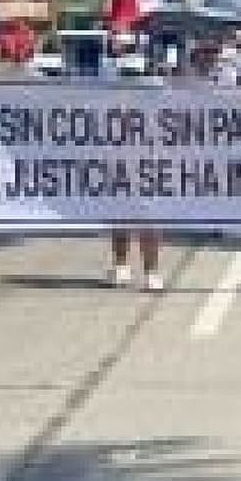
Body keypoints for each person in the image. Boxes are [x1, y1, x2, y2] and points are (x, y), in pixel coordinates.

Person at [99, 30, 165, 292]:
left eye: (134, 74)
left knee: (150, 220)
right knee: (120, 218)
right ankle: (121, 266)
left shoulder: (156, 99)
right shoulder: (108, 101)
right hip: (118, 165)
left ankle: (151, 272)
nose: (131, 79)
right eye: (127, 74)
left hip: (149, 166)